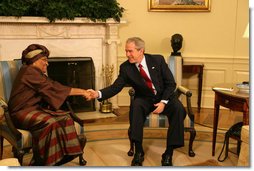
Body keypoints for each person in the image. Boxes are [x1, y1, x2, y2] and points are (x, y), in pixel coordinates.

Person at [88, 37, 186, 166]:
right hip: (144, 98)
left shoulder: (157, 60)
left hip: (164, 96)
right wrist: (97, 93)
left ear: (141, 51)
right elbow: (115, 87)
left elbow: (170, 83)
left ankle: (168, 152)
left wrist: (163, 102)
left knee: (178, 109)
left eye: (130, 51)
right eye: (126, 51)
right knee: (136, 106)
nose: (127, 54)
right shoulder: (126, 68)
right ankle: (138, 151)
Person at [8, 44, 91, 166]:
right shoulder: (29, 71)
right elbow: (54, 88)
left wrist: (81, 91)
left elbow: (52, 86)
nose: (47, 63)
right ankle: (42, 162)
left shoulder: (35, 72)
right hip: (19, 112)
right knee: (50, 122)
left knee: (66, 118)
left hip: (34, 109)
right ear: (34, 61)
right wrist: (83, 91)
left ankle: (67, 153)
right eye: (44, 60)